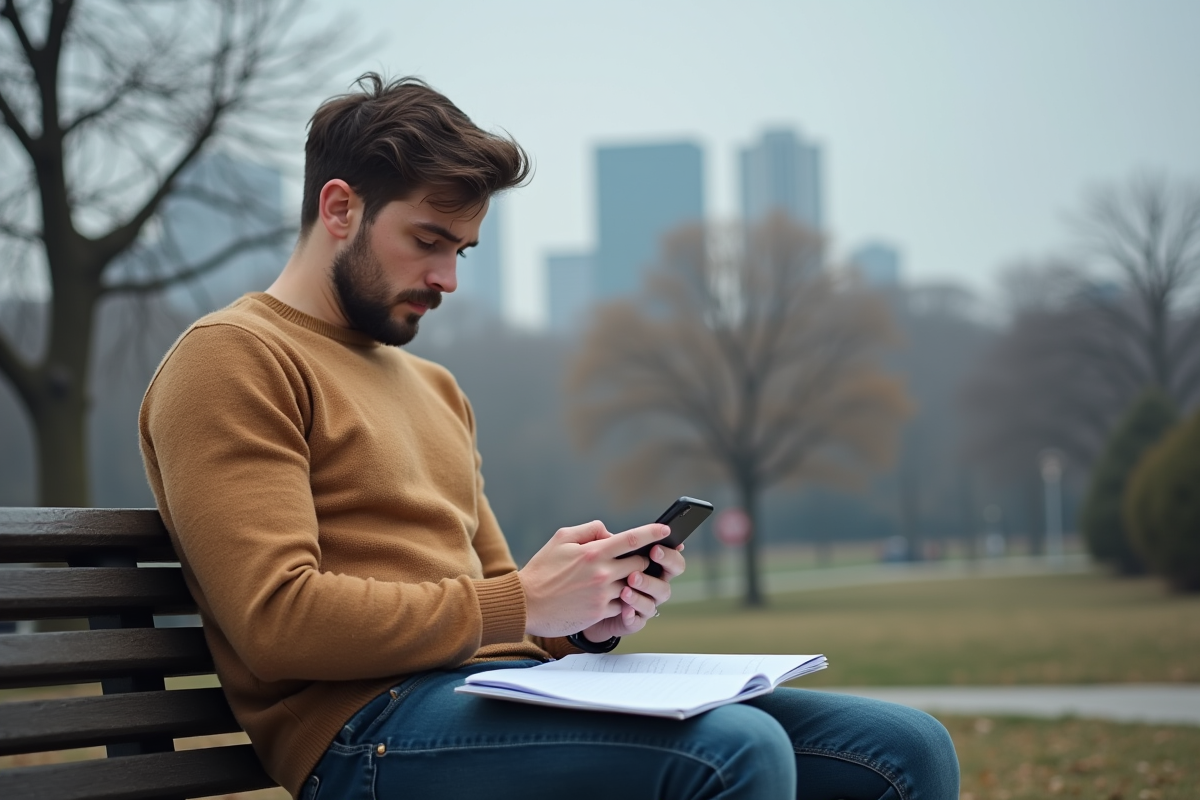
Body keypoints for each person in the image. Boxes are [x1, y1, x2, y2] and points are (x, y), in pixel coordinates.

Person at [139, 74, 959, 800]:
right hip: (361, 737)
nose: (448, 279)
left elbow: (504, 600)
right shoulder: (235, 358)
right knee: (726, 754)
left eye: (462, 250)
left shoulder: (432, 387)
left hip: (501, 695)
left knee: (901, 750)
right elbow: (279, 623)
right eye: (428, 241)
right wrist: (526, 600)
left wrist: (585, 618)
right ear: (341, 208)